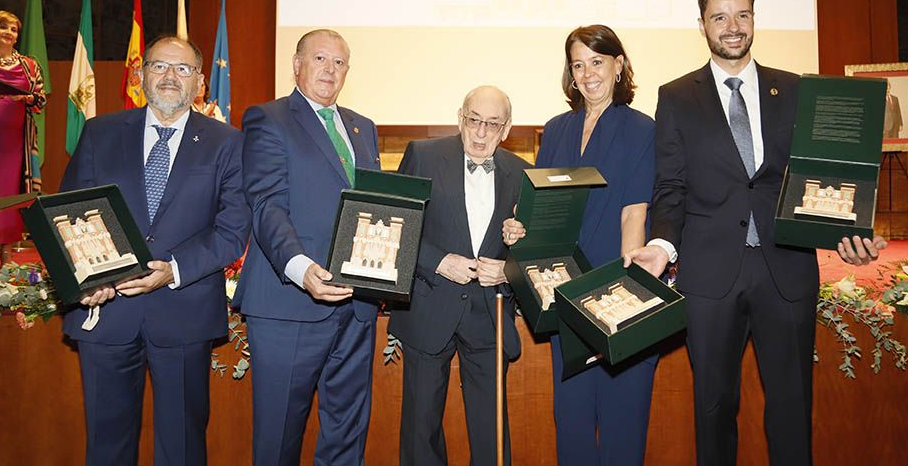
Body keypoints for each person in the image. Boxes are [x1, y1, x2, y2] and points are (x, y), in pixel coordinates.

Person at [625, 0, 886, 466]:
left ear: (753, 19)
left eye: (742, 14)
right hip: (709, 274)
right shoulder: (677, 96)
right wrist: (661, 245)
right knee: (714, 408)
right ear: (701, 24)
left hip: (785, 269)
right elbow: (671, 187)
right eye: (719, 16)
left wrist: (850, 232)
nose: (732, 26)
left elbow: (825, 176)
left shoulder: (797, 90)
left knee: (792, 406)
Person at [61, 34, 250, 466]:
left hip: (183, 315)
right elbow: (70, 215)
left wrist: (174, 270)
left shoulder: (228, 142)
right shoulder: (100, 132)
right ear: (141, 73)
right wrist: (88, 279)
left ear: (200, 83)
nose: (170, 77)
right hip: (105, 312)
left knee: (182, 447)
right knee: (107, 446)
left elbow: (232, 228)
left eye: (183, 69)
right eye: (160, 66)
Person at [502, 25, 658, 466]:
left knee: (622, 429)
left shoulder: (640, 128)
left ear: (618, 65)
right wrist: (520, 229)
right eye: (578, 64)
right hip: (564, 297)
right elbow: (542, 211)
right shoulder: (555, 130)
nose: (588, 74)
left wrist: (628, 294)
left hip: (617, 295)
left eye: (597, 62)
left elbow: (634, 212)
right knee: (570, 425)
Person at [235, 28, 380, 466]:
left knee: (346, 437)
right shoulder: (268, 118)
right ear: (296, 65)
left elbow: (374, 209)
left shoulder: (363, 127)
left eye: (339, 63)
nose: (329, 71)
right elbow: (266, 205)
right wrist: (300, 268)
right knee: (279, 439)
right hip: (289, 304)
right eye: (320, 59)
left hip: (356, 308)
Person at [389, 85, 529, 466]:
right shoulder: (423, 155)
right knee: (421, 434)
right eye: (474, 121)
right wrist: (438, 261)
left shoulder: (523, 173)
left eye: (492, 124)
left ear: (506, 128)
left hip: (488, 316)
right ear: (460, 118)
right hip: (429, 308)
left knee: (490, 436)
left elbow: (533, 251)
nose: (481, 133)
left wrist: (507, 270)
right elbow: (396, 229)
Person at [0, 11, 46, 272]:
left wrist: (26, 99)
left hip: (18, 140)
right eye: (3, 27)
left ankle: (7, 253)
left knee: (13, 193)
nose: (9, 33)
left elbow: (40, 99)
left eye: (14, 29)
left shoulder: (29, 65)